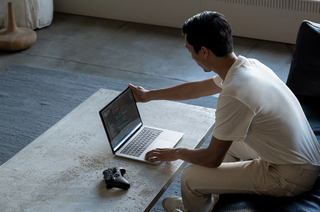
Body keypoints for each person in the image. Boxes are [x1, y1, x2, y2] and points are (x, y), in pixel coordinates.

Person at [129, 11, 320, 212]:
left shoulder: (235, 92)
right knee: (225, 141)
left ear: (204, 51)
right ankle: (210, 202)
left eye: (190, 50)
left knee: (189, 177)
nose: (191, 56)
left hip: (290, 176)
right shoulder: (247, 66)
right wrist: (148, 95)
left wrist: (177, 152)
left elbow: (212, 159)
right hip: (302, 157)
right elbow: (196, 89)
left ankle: (193, 207)